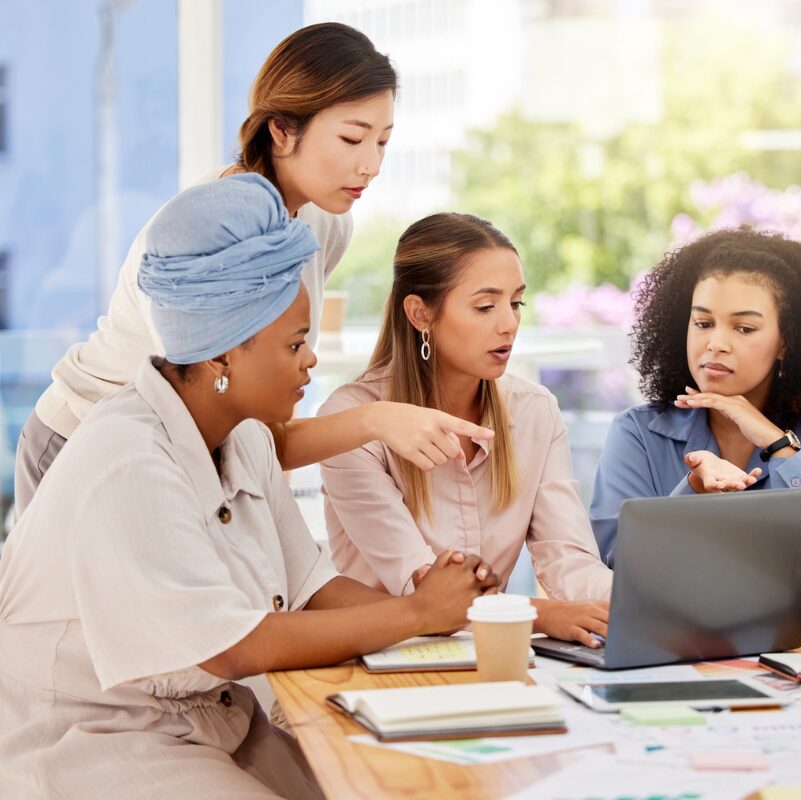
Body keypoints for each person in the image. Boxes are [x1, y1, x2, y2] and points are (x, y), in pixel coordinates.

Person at [0, 175, 500, 800]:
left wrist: (439, 611)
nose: (311, 360)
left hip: (208, 720)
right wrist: (416, 614)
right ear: (221, 357)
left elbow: (309, 587)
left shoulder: (247, 438)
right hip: (93, 737)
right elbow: (233, 647)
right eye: (295, 344)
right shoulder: (127, 458)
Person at [13, 22, 486, 518]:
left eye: (383, 142)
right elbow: (236, 421)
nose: (371, 165)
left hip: (181, 452)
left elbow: (254, 420)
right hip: (84, 438)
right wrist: (377, 421)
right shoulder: (210, 232)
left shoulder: (325, 224)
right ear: (281, 129)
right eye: (352, 138)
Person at [319, 213, 613, 647]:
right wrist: (544, 615)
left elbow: (567, 559)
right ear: (421, 313)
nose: (509, 324)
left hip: (490, 658)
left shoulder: (535, 412)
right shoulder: (351, 421)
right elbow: (428, 594)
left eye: (516, 303)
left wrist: (636, 605)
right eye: (485, 306)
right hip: (378, 664)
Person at [589, 229, 801, 605]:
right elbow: (620, 571)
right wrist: (693, 490)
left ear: (786, 343)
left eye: (744, 328)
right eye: (703, 323)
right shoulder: (638, 434)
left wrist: (779, 448)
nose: (716, 343)